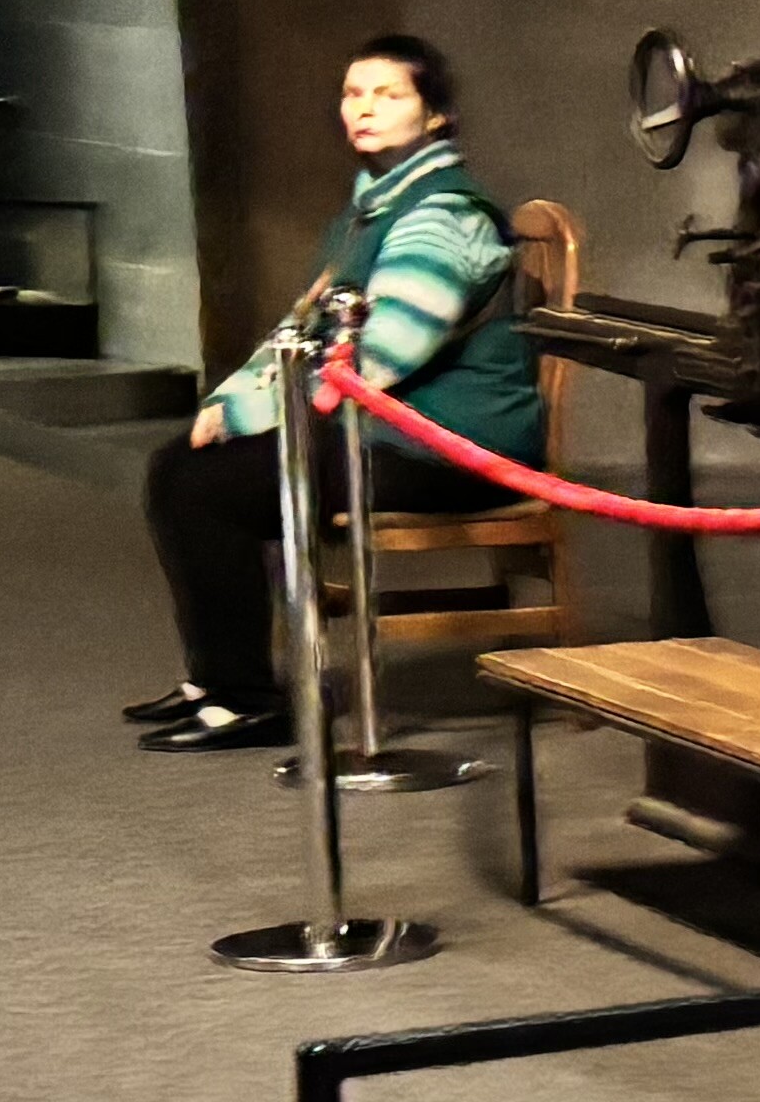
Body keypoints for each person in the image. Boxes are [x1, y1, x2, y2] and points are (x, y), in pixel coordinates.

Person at [132, 39, 547, 752]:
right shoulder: (374, 208)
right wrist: (229, 400)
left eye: (390, 94)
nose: (365, 109)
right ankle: (220, 680)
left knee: (206, 487)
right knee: (181, 467)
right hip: (389, 428)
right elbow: (301, 330)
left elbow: (381, 354)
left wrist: (248, 416)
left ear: (436, 115)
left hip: (452, 447)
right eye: (355, 94)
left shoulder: (442, 216)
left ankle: (246, 699)